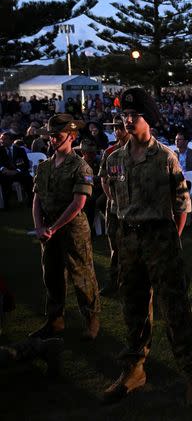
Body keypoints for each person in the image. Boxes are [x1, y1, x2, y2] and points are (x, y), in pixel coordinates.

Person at [99, 88, 192, 406]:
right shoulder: (115, 157)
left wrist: (171, 240)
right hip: (128, 240)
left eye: (134, 116)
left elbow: (181, 204)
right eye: (124, 116)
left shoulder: (164, 156)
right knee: (132, 308)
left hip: (160, 240)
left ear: (147, 118)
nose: (128, 121)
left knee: (175, 311)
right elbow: (112, 193)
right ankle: (133, 370)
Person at [30, 114, 100, 341]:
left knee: (82, 275)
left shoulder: (81, 166)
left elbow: (78, 203)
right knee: (51, 275)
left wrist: (54, 227)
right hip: (49, 230)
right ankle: (55, 320)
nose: (52, 140)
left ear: (71, 137)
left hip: (72, 230)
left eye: (57, 136)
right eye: (50, 136)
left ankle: (91, 319)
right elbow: (37, 199)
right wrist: (40, 227)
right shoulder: (44, 167)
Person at [98, 115, 130, 295]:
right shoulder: (109, 151)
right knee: (115, 246)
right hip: (115, 207)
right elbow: (104, 179)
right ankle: (114, 280)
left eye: (121, 127)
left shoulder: (137, 151)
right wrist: (113, 200)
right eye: (115, 128)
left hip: (134, 208)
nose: (118, 131)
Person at [0, 130, 33, 208]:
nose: (2, 141)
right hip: (5, 173)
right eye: (1, 139)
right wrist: (3, 169)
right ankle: (6, 204)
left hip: (17, 172)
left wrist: (16, 171)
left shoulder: (19, 150)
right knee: (4, 181)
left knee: (28, 178)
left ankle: (31, 202)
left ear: (11, 140)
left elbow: (26, 164)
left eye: (4, 139)